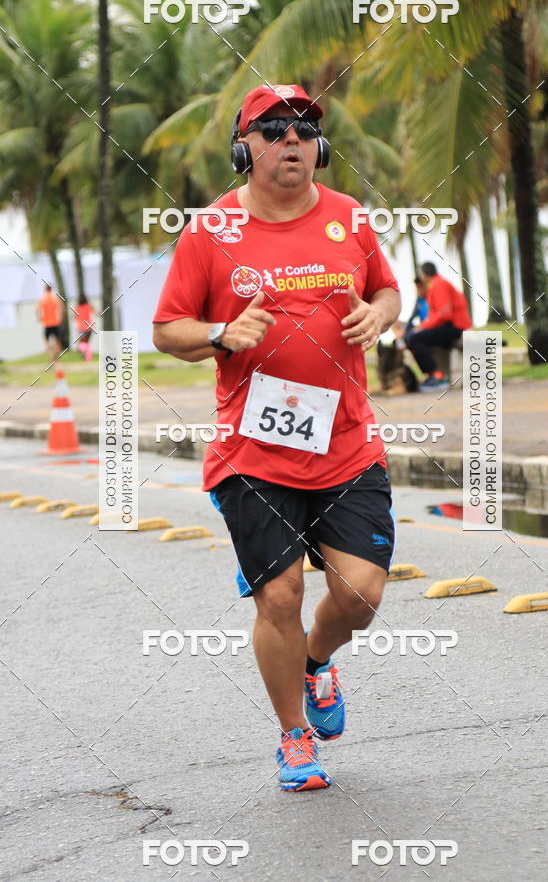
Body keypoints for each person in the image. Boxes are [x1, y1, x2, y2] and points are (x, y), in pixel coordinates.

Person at [152, 83, 401, 792]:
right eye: (272, 129)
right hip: (251, 450)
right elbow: (168, 329)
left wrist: (379, 316)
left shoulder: (349, 219)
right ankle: (294, 738)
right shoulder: (210, 233)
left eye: (303, 128)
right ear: (245, 149)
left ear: (318, 147)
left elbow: (387, 290)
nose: (291, 139)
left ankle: (317, 660)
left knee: (359, 596)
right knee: (283, 596)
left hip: (346, 442)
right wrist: (221, 333)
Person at [407, 261, 472, 389]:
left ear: (423, 274)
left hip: (455, 328)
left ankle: (437, 377)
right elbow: (436, 314)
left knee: (415, 338)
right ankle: (433, 375)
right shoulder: (437, 284)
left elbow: (444, 314)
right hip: (450, 326)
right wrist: (422, 326)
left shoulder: (439, 284)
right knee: (412, 336)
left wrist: (422, 327)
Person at [37, 283, 64, 360]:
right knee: (57, 340)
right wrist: (61, 318)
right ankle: (56, 356)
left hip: (46, 323)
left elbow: (38, 310)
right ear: (51, 289)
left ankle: (50, 355)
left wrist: (40, 318)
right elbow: (61, 308)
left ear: (45, 289)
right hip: (55, 322)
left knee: (46, 340)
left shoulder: (42, 299)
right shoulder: (55, 298)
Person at [75, 295, 95, 361]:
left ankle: (84, 353)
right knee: (86, 342)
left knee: (81, 343)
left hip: (81, 327)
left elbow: (74, 316)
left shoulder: (78, 307)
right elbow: (95, 311)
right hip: (89, 326)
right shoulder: (89, 306)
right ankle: (88, 357)